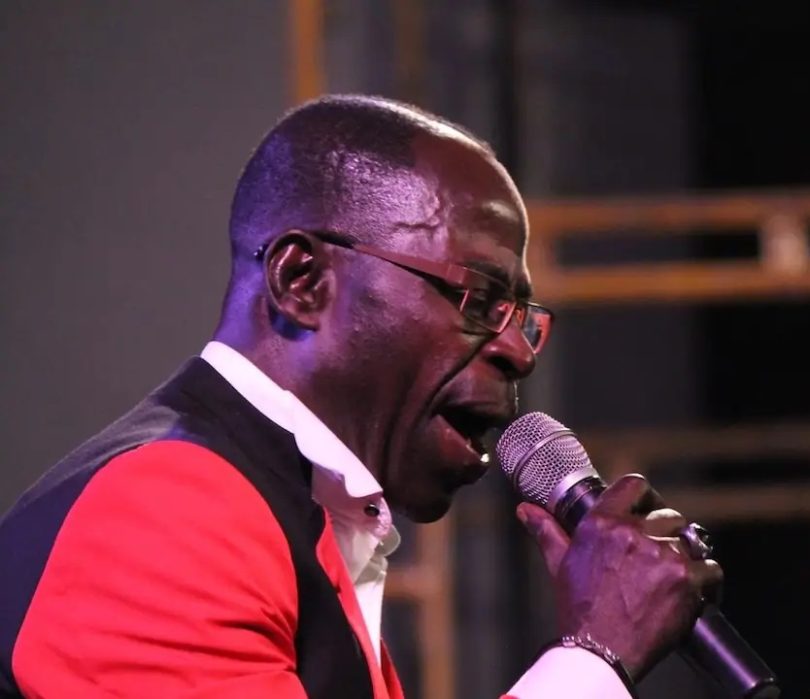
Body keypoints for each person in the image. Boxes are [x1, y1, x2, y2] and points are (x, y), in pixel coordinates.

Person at [0, 95, 721, 698]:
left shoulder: (304, 520)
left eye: (523, 319)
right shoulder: (166, 510)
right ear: (303, 281)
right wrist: (596, 653)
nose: (519, 350)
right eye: (478, 299)